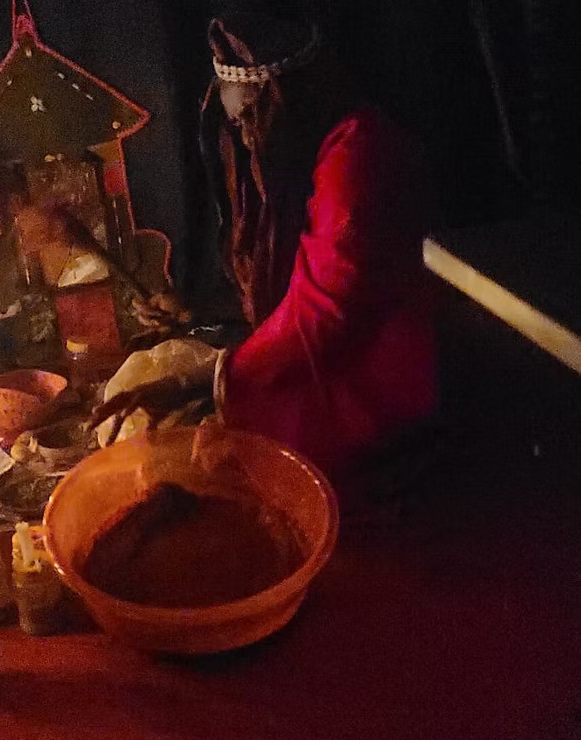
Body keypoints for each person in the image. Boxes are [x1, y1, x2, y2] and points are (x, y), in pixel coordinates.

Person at [90, 13, 437, 489]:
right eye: (236, 124)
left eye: (249, 118)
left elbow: (321, 313)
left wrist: (202, 379)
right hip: (322, 364)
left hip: (377, 393)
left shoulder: (358, 158)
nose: (245, 138)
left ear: (285, 97)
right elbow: (283, 282)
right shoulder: (302, 153)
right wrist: (200, 308)